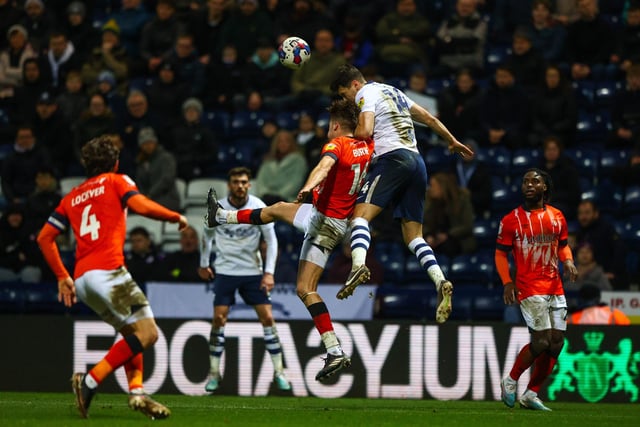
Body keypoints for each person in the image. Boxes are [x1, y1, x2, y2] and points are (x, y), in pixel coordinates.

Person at [206, 98, 373, 381]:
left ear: (335, 126)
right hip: (339, 222)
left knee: (278, 210)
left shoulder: (337, 145)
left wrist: (308, 186)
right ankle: (334, 350)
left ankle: (220, 217)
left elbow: (323, 167)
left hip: (322, 219)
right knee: (305, 288)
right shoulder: (368, 146)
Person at [36, 135, 188, 419]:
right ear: (115, 163)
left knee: (132, 333)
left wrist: (61, 276)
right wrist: (174, 217)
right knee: (149, 333)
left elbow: (45, 238)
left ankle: (137, 393)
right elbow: (141, 206)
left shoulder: (71, 196)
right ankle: (91, 380)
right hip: (108, 271)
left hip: (82, 279)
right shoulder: (117, 181)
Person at [330, 64, 473, 323]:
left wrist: (348, 135)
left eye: (344, 94)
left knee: (360, 217)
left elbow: (365, 131)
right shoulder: (395, 92)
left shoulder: (365, 94)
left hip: (392, 158)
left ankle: (358, 265)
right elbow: (429, 119)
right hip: (417, 162)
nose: (345, 100)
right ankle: (440, 280)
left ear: (354, 84)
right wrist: (451, 140)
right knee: (413, 237)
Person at [197, 166, 291, 393]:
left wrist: (269, 273)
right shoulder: (217, 208)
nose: (240, 186)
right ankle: (213, 374)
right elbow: (206, 236)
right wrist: (203, 264)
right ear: (229, 185)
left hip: (252, 271)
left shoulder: (258, 206)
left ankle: (279, 373)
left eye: (243, 182)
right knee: (219, 319)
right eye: (236, 182)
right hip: (225, 271)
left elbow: (272, 240)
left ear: (249, 185)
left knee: (268, 317)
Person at [496, 168, 578, 411]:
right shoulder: (511, 220)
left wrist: (569, 261)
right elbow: (500, 254)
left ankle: (531, 393)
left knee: (556, 342)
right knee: (541, 341)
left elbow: (563, 246)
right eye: (525, 181)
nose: (529, 185)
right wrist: (507, 282)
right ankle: (510, 380)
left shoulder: (557, 217)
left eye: (535, 181)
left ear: (545, 188)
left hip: (555, 286)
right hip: (529, 286)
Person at [423, 172, 476, 258]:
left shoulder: (462, 199)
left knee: (448, 247)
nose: (430, 189)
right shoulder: (429, 201)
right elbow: (424, 223)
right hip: (435, 239)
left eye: (433, 186)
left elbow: (467, 226)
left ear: (442, 187)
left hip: (457, 240)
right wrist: (428, 235)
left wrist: (448, 235)